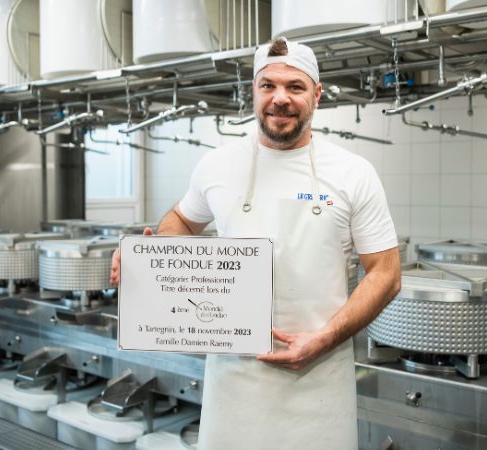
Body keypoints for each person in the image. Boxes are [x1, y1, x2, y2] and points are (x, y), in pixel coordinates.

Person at [110, 36, 402, 449]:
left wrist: (323, 338)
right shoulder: (217, 164)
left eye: (295, 87)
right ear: (253, 91)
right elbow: (180, 220)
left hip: (318, 378)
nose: (280, 98)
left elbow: (386, 274)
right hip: (233, 382)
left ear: (316, 95)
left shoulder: (354, 172)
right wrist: (151, 260)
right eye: (268, 86)